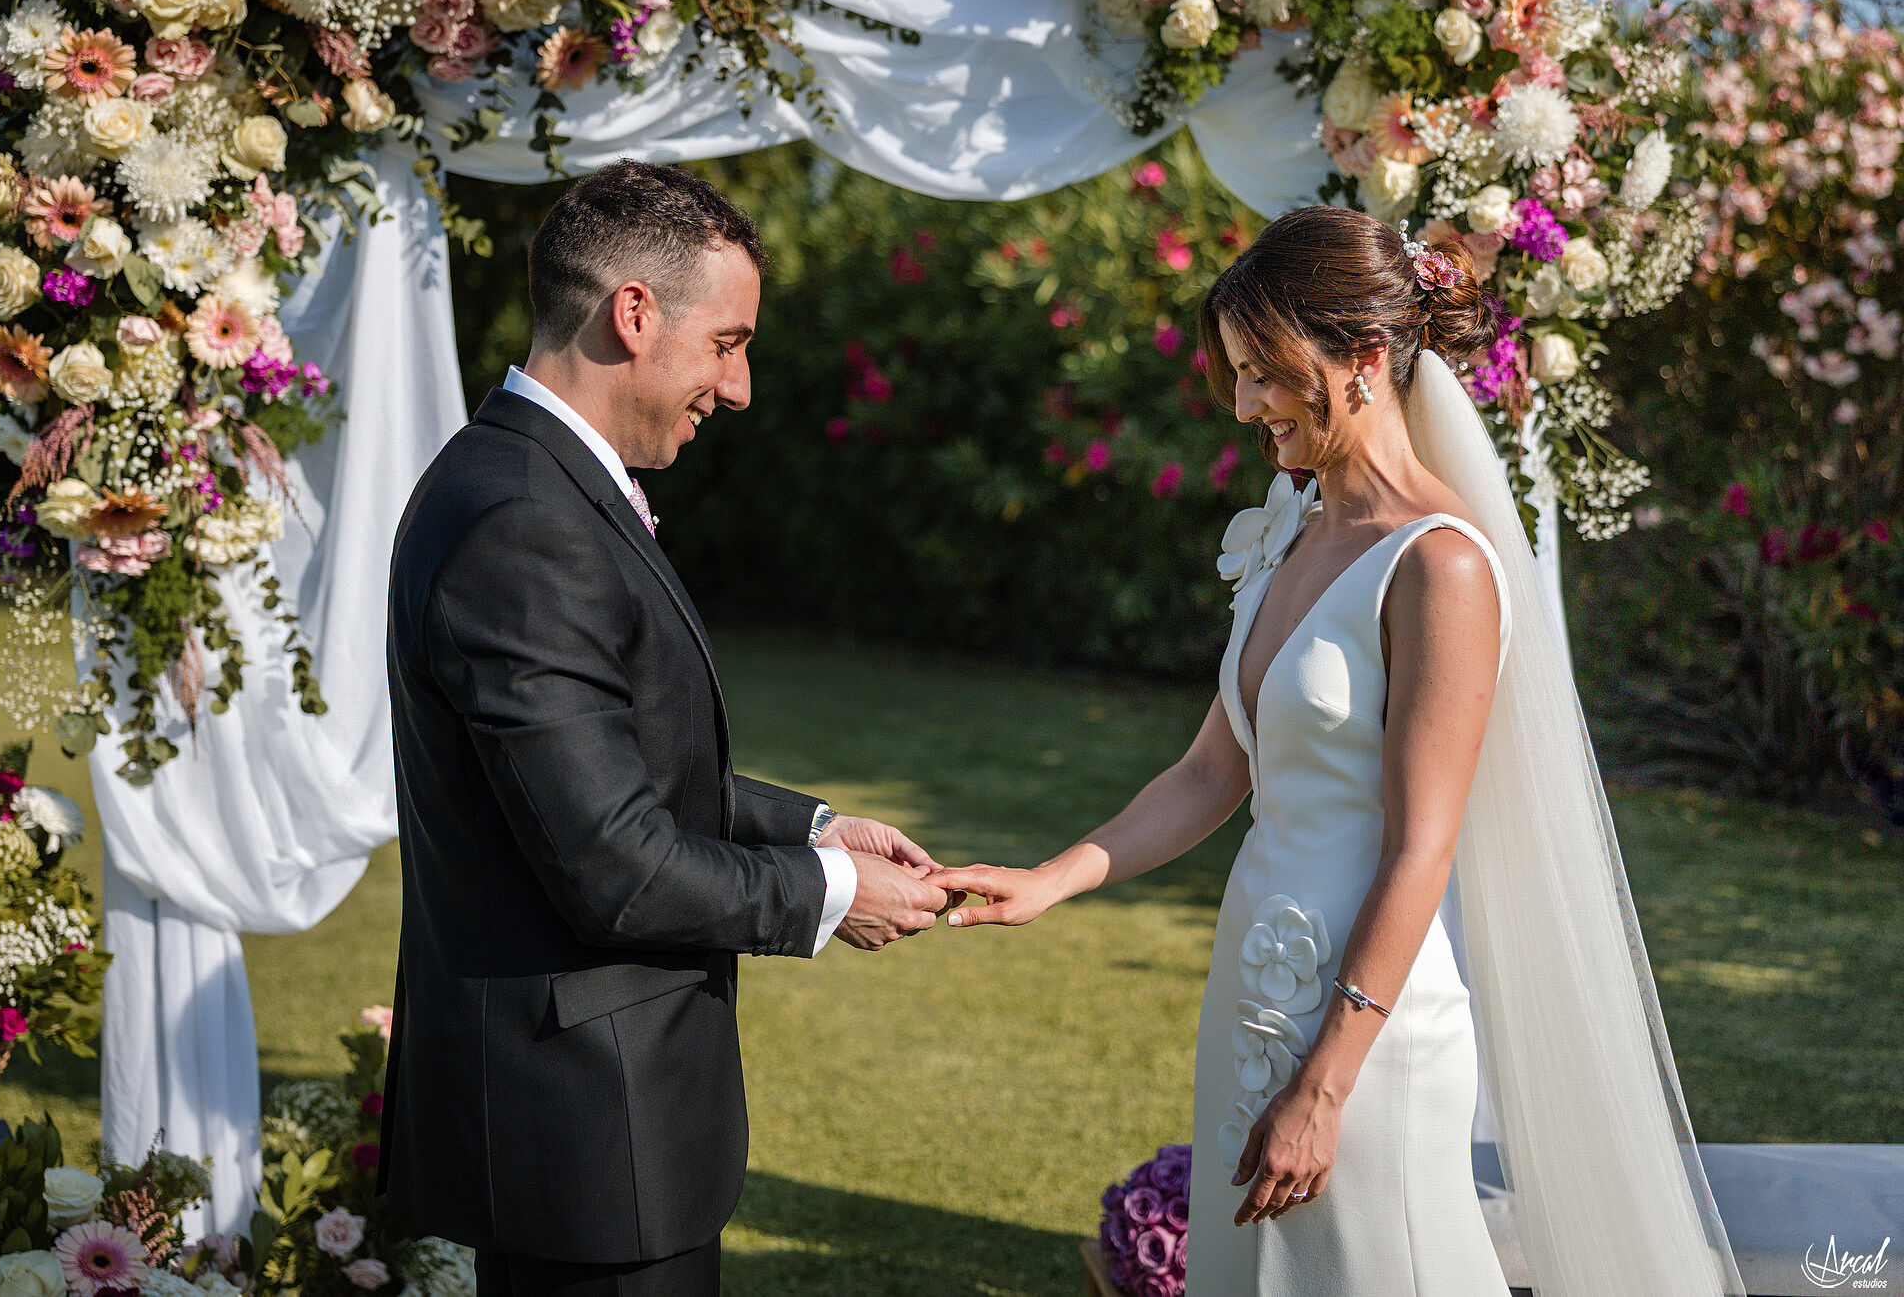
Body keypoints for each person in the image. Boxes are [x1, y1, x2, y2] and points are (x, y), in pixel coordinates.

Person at [930, 207, 1747, 1295]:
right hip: (1253, 977)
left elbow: (1421, 848)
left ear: (1361, 360)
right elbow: (1209, 774)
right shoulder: (1291, 528)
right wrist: (1050, 880)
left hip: (1371, 1024)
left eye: (1265, 372)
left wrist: (1325, 1083)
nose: (1242, 405)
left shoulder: (1439, 565)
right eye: (1233, 374)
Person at [379, 159, 953, 1297]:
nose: (737, 389)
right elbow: (614, 868)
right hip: (587, 1131)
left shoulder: (521, 478)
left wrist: (818, 830)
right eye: (728, 343)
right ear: (633, 314)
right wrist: (828, 897)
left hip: (586, 1124)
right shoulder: (523, 522)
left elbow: (612, 764)